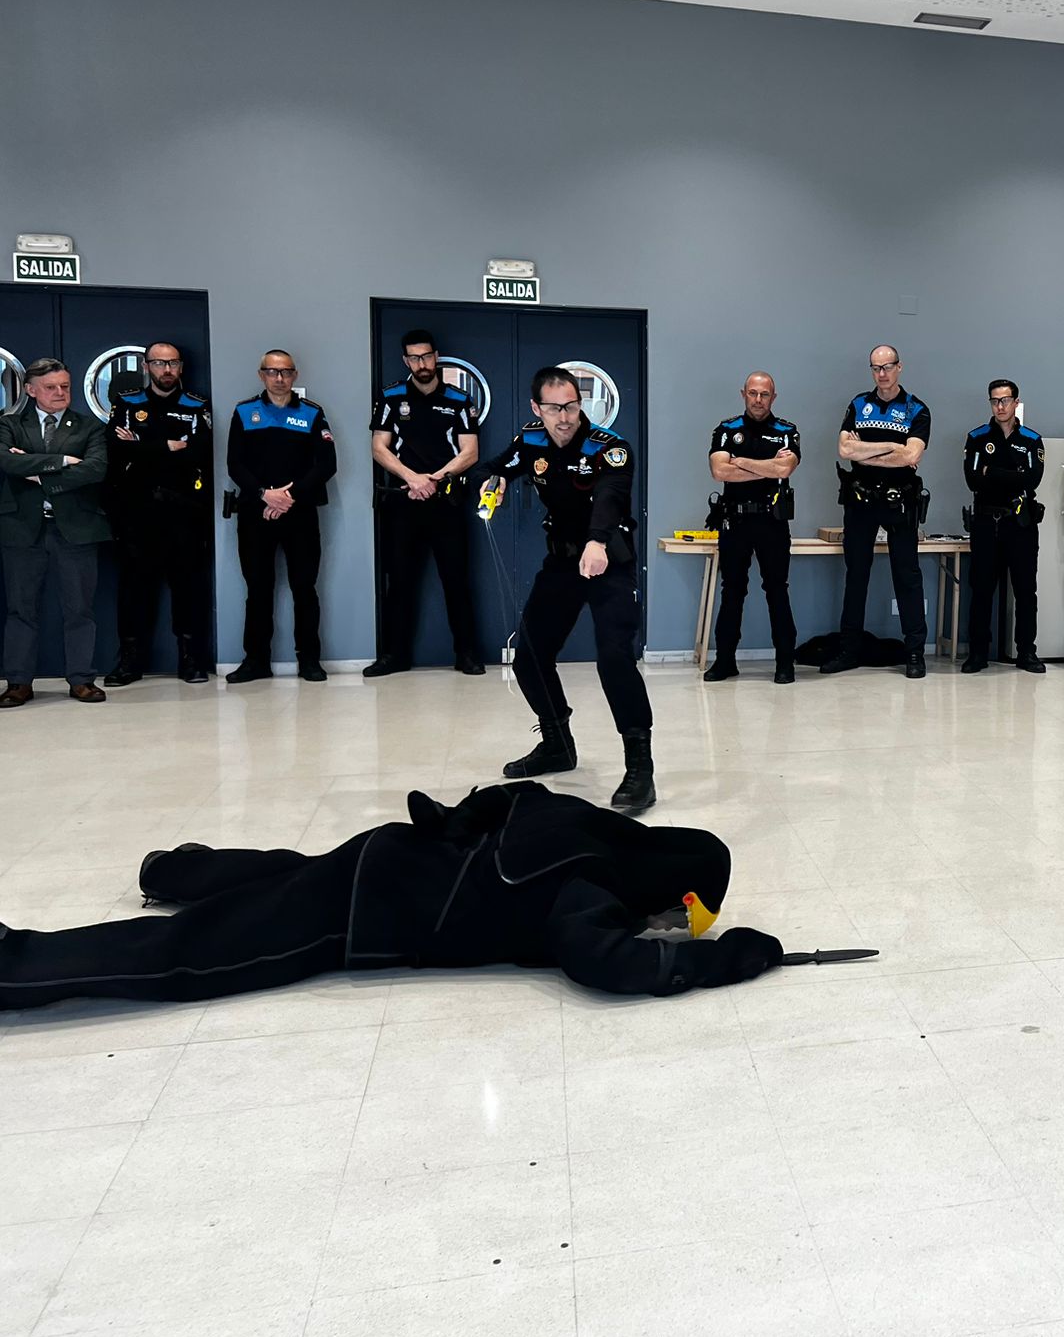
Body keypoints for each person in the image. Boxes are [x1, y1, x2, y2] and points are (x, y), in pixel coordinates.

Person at [0, 782, 783, 1009]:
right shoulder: (589, 889)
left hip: (391, 853)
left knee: (289, 873)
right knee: (192, 954)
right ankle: (17, 965)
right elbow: (604, 962)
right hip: (370, 918)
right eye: (680, 912)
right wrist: (723, 960)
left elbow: (503, 795)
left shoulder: (579, 819)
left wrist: (456, 824)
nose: (666, 924)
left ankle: (172, 871)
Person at [480, 366, 655, 812]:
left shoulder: (608, 447)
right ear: (537, 408)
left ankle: (640, 766)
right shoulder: (532, 439)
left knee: (614, 657)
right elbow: (501, 464)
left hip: (608, 560)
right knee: (529, 657)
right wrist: (496, 479)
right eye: (554, 408)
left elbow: (612, 495)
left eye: (572, 406)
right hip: (562, 562)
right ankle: (557, 743)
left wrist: (597, 540)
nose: (564, 417)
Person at [366, 328, 485, 677]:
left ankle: (466, 654)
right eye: (415, 358)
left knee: (456, 580)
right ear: (406, 361)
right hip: (403, 503)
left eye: (427, 356)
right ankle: (394, 656)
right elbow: (379, 448)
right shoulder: (390, 397)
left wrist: (433, 480)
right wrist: (413, 478)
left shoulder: (459, 399)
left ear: (436, 357)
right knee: (400, 581)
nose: (422, 364)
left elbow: (470, 452)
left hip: (446, 502)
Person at [0, 359, 111, 706]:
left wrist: (34, 472)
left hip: (76, 529)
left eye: (65, 386)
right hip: (22, 529)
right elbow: (6, 461)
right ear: (31, 390)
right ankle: (18, 682)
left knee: (80, 608)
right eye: (51, 387)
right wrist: (63, 461)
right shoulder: (9, 424)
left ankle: (81, 680)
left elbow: (95, 470)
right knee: (21, 609)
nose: (60, 393)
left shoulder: (90, 427)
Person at [225, 350, 337, 684]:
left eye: (286, 372)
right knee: (258, 589)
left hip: (299, 514)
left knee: (305, 588)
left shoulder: (312, 413)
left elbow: (327, 465)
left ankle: (310, 660)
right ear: (261, 375)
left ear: (295, 375)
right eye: (272, 372)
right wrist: (264, 494)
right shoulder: (244, 412)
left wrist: (290, 496)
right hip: (255, 513)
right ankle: (256, 661)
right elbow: (234, 464)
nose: (279, 378)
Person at [104, 341, 212, 686]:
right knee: (134, 588)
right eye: (159, 363)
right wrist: (168, 446)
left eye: (173, 363)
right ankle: (130, 662)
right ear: (146, 366)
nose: (167, 370)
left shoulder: (196, 405)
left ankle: (191, 659)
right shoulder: (128, 403)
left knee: (188, 587)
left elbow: (199, 452)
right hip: (137, 510)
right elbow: (117, 450)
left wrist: (142, 445)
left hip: (184, 510)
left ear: (181, 367)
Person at [820, 344, 931, 680]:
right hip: (860, 501)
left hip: (900, 503)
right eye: (875, 368)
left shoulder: (917, 409)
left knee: (907, 576)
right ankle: (849, 650)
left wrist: (865, 451)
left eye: (887, 367)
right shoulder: (858, 404)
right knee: (856, 575)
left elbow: (911, 456)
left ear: (899, 367)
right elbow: (844, 449)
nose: (881, 373)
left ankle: (915, 653)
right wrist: (892, 447)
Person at [706, 371, 800, 684]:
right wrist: (768, 467)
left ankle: (785, 663)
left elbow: (785, 468)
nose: (758, 400)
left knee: (777, 590)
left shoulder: (786, 431)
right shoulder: (727, 429)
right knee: (732, 590)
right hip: (735, 521)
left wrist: (741, 461)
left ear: (774, 397)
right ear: (743, 394)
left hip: (772, 522)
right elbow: (720, 472)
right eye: (753, 393)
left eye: (765, 394)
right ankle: (725, 661)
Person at [962, 378, 1047, 673]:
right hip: (986, 522)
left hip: (1019, 523)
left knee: (1025, 590)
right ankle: (978, 654)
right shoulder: (977, 437)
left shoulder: (1031, 440)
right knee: (981, 589)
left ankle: (1026, 652)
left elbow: (1032, 480)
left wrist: (991, 471)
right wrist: (1013, 474)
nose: (1000, 406)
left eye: (1005, 400)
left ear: (1016, 402)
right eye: (995, 401)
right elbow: (972, 479)